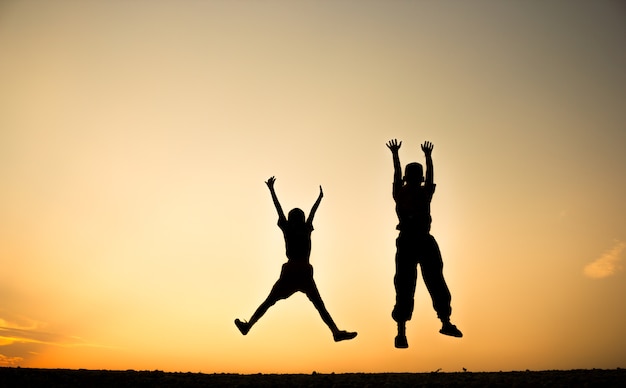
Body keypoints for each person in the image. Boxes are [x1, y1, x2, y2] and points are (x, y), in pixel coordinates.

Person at [234, 176, 357, 342]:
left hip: (293, 270)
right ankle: (335, 332)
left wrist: (272, 190)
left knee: (269, 302)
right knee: (319, 306)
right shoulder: (304, 228)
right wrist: (319, 199)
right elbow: (310, 213)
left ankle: (248, 326)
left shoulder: (289, 228)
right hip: (302, 271)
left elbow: (280, 209)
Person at [386, 139, 462, 349]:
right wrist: (427, 158)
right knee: (409, 284)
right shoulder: (412, 192)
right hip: (413, 241)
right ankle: (407, 332)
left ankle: (413, 330)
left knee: (416, 283)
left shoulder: (410, 192)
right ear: (416, 178)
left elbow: (401, 175)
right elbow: (425, 177)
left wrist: (397, 156)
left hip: (417, 241)